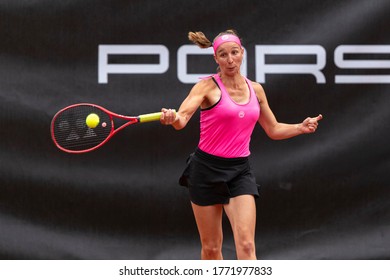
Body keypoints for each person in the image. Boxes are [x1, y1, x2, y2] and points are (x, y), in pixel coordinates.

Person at [160, 29, 323, 260]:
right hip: (205, 171)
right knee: (211, 248)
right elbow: (182, 119)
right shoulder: (205, 87)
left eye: (234, 53)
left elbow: (273, 129)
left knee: (246, 245)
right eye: (223, 55)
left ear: (242, 53)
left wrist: (300, 127)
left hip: (239, 171)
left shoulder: (255, 89)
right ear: (215, 58)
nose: (230, 60)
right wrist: (173, 118)